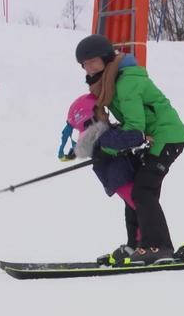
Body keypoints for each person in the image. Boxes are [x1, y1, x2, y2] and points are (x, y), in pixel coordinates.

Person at [75, 34, 184, 265]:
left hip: (166, 138)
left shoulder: (126, 82)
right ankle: (136, 245)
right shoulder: (111, 82)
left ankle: (158, 246)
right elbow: (130, 127)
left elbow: (135, 130)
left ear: (107, 59)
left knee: (143, 190)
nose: (88, 68)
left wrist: (108, 148)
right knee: (136, 191)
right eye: (84, 64)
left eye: (93, 61)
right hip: (154, 139)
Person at [59, 92, 147, 265]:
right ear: (90, 118)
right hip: (120, 178)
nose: (107, 114)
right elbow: (125, 139)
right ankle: (144, 245)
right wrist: (142, 136)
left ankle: (135, 244)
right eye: (102, 111)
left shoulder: (100, 134)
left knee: (134, 207)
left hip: (120, 177)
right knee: (141, 205)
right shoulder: (102, 136)